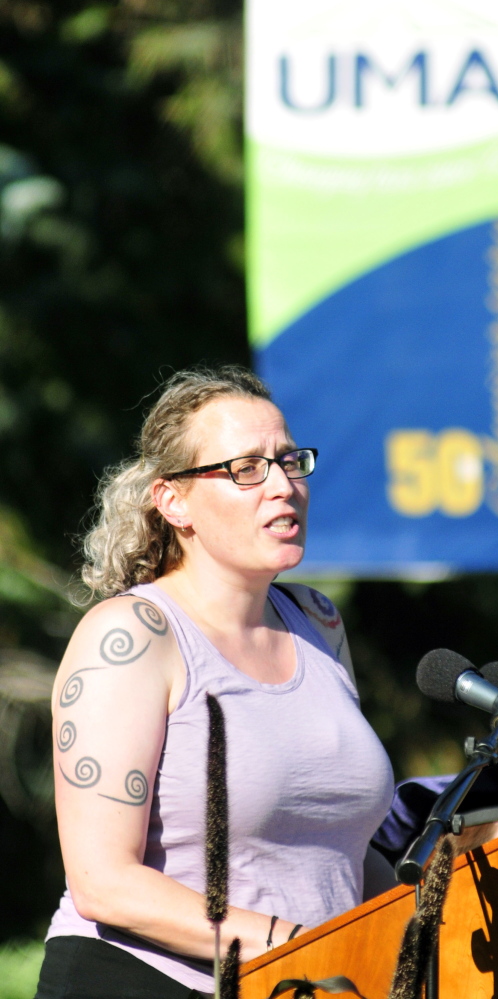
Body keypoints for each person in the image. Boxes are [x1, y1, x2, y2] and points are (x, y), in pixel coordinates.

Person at [35, 366, 396, 999]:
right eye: (246, 469)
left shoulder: (317, 621)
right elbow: (104, 881)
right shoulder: (132, 635)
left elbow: (333, 842)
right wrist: (299, 943)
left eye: (290, 461)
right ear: (172, 500)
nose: (283, 486)